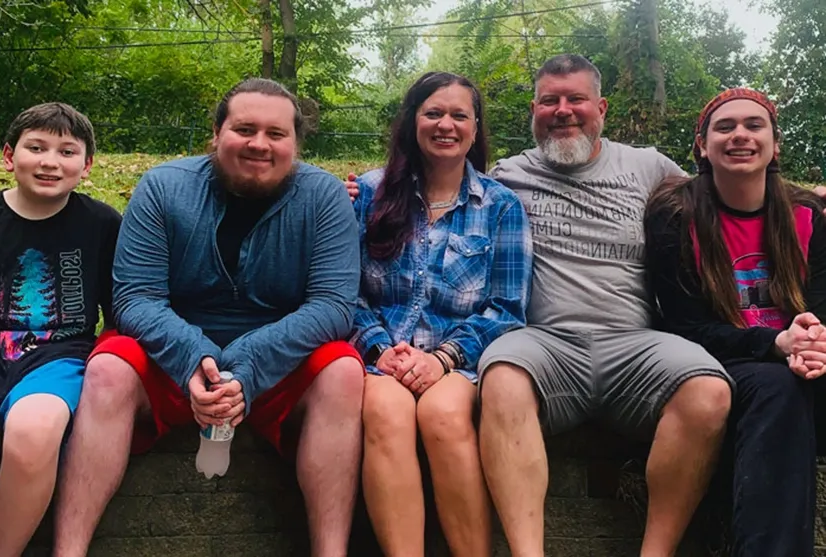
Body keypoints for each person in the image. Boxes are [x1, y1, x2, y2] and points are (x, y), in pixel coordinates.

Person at [51, 78, 365, 557]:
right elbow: (134, 297)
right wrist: (194, 357)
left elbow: (334, 305)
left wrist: (246, 365)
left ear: (296, 144)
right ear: (216, 134)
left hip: (279, 360)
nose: (260, 144)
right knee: (108, 369)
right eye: (245, 128)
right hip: (172, 355)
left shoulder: (323, 198)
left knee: (343, 371)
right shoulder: (163, 187)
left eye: (276, 134)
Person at [474, 54, 734, 557]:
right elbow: (439, 195)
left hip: (636, 345)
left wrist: (805, 198)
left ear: (602, 108)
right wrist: (360, 190)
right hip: (545, 345)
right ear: (534, 109)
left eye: (576, 99)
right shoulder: (507, 175)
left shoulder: (649, 166)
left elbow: (725, 196)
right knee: (502, 377)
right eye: (550, 100)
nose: (563, 110)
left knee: (709, 392)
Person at [351, 71, 532, 556]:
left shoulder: (500, 206)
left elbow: (508, 307)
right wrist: (380, 349)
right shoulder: (368, 194)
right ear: (413, 121)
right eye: (433, 113)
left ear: (475, 128)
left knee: (444, 414)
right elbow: (344, 292)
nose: (445, 124)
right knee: (384, 412)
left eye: (459, 115)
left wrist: (443, 359)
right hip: (380, 354)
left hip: (459, 358)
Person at [644, 88, 826, 557]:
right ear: (701, 146)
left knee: (795, 384)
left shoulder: (808, 214)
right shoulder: (675, 215)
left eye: (753, 125)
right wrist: (775, 343)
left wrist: (811, 341)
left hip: (800, 362)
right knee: (779, 388)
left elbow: (820, 306)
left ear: (775, 143)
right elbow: (684, 325)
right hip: (724, 363)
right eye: (725, 127)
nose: (740, 135)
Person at [0, 102, 121, 557]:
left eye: (67, 151)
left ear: (87, 165)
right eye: (35, 148)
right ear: (8, 155)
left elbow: (121, 309)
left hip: (57, 357)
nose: (50, 161)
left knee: (34, 431)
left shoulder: (103, 224)